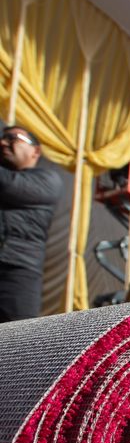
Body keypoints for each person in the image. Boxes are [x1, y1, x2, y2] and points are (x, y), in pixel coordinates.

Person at [0, 124, 63, 322]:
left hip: (18, 273)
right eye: (2, 138)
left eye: (12, 138)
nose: (3, 142)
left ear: (36, 151)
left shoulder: (48, 180)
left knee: (14, 343)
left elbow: (8, 184)